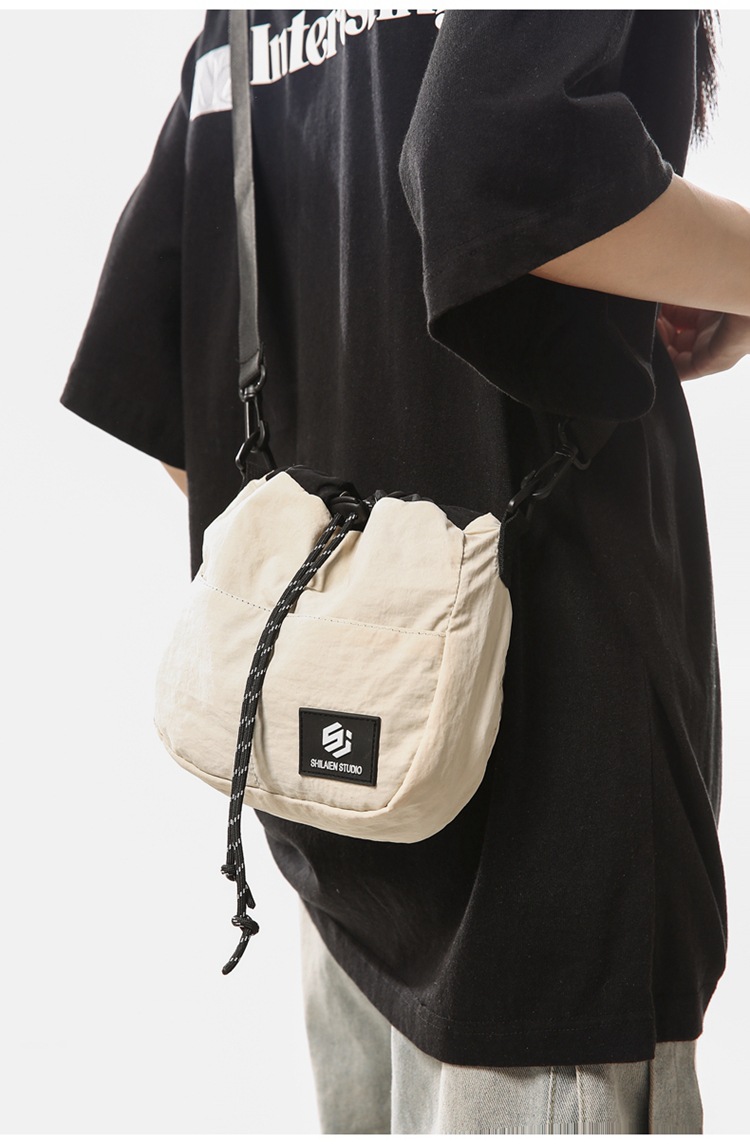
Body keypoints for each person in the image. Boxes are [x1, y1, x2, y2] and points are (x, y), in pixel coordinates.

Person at [60, 8, 737, 1134]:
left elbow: (170, 383)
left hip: (339, 824)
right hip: (549, 805)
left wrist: (361, 590)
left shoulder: (240, 23)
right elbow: (487, 166)